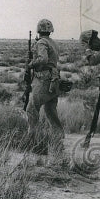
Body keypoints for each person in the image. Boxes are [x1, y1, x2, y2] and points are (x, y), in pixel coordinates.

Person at [26, 18, 66, 161]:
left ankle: (32, 140)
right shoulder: (53, 43)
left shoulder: (41, 43)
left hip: (43, 79)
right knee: (50, 111)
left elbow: (42, 59)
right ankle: (58, 139)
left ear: (39, 29)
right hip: (53, 80)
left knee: (32, 109)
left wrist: (31, 64)